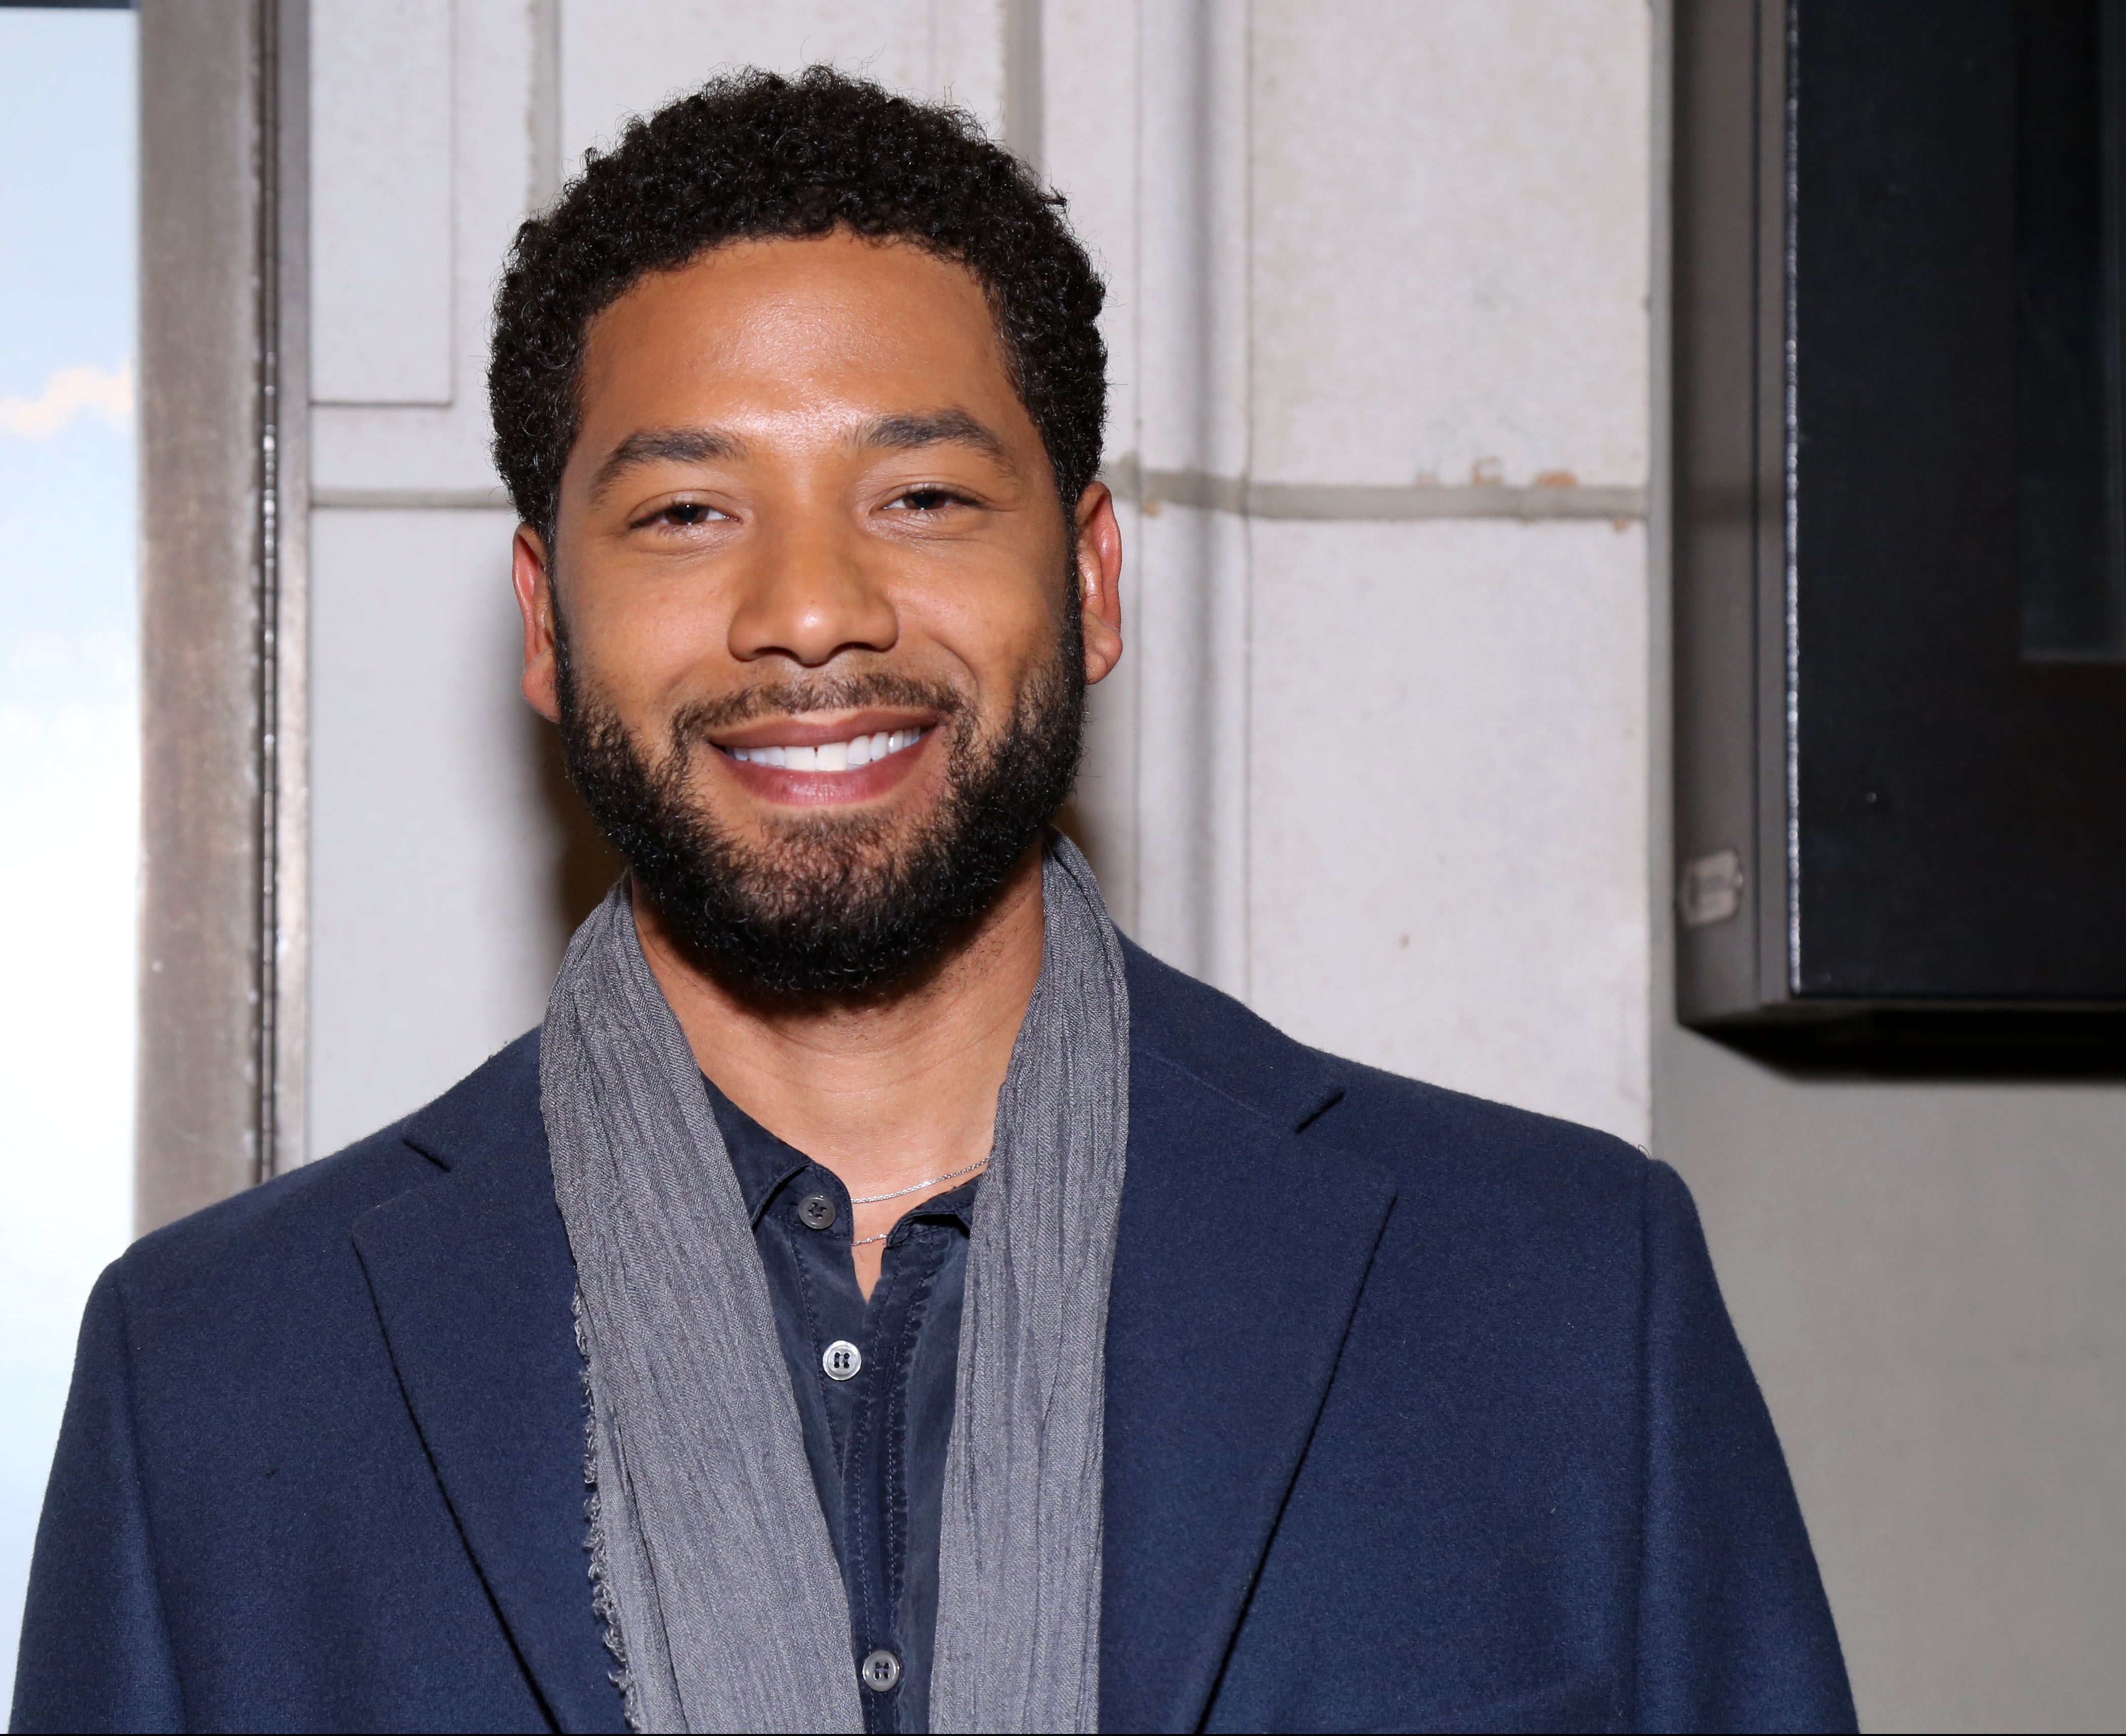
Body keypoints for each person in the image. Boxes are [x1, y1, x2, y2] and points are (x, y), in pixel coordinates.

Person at [11, 67, 1854, 1736]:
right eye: (683, 515)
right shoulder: (221, 1380)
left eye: (919, 495)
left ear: (1091, 579)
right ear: (545, 623)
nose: (811, 609)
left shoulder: (1547, 1293)